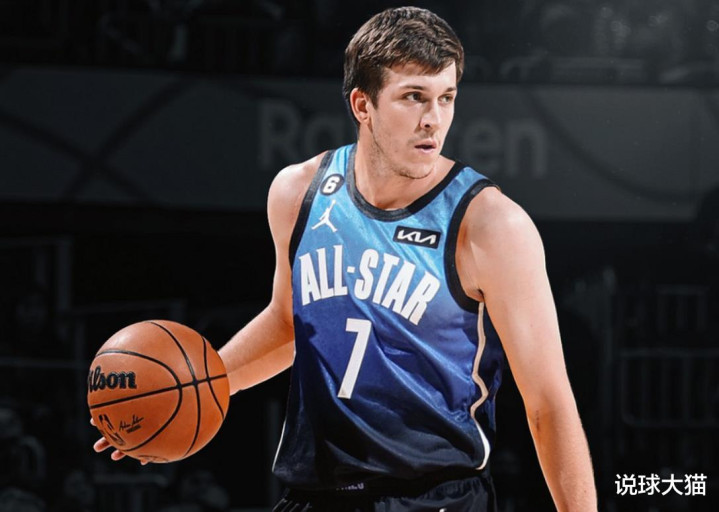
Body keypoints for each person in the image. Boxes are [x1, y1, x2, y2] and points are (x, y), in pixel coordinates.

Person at [94, 6, 597, 511]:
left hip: (433, 497)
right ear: (363, 104)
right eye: (413, 97)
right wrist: (182, 392)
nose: (433, 119)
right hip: (315, 495)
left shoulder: (491, 224)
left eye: (446, 98)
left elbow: (548, 404)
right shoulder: (299, 192)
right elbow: (290, 324)